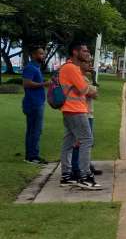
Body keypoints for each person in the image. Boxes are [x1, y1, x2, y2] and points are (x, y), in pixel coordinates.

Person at [59, 42, 101, 190]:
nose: (87, 53)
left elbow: (82, 89)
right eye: (84, 51)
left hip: (70, 110)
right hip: (76, 110)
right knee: (87, 140)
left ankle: (66, 176)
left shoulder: (69, 67)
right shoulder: (72, 68)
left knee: (68, 143)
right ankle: (85, 176)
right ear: (75, 52)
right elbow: (84, 89)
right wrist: (90, 88)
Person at [71, 56, 102, 179]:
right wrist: (93, 86)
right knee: (80, 142)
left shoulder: (85, 78)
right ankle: (76, 168)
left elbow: (95, 93)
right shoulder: (80, 78)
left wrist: (93, 78)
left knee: (87, 143)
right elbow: (93, 93)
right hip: (82, 113)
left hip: (88, 112)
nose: (90, 65)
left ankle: (86, 165)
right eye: (87, 63)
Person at [22, 46, 50, 164]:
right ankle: (32, 156)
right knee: (35, 130)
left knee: (33, 130)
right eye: (40, 54)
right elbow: (26, 84)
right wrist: (44, 84)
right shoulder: (30, 67)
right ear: (33, 55)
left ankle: (30, 155)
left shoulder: (36, 68)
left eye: (43, 54)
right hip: (33, 103)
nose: (42, 56)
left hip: (37, 102)